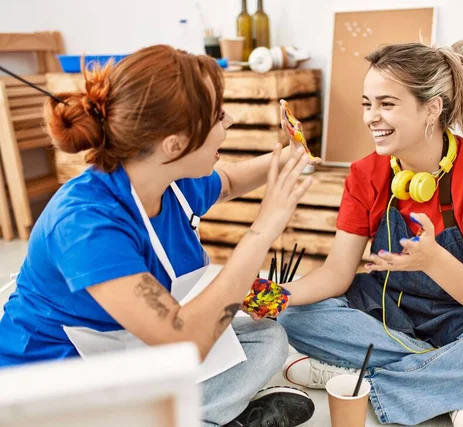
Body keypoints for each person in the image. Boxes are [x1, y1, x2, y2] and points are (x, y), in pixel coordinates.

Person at [0, 45, 318, 427]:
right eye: (218, 115)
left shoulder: (169, 180)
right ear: (175, 144)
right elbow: (183, 341)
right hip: (55, 380)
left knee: (265, 340)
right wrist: (264, 227)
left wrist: (290, 158)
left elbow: (230, 181)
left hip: (128, 348)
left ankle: (193, 415)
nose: (230, 120)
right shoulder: (85, 224)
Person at [276, 40, 463, 427]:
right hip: (385, 311)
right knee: (292, 317)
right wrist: (275, 296)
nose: (371, 117)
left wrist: (434, 260)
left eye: (387, 104)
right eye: (366, 103)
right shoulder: (365, 173)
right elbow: (337, 273)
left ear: (432, 108)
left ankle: (364, 381)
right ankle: (449, 378)